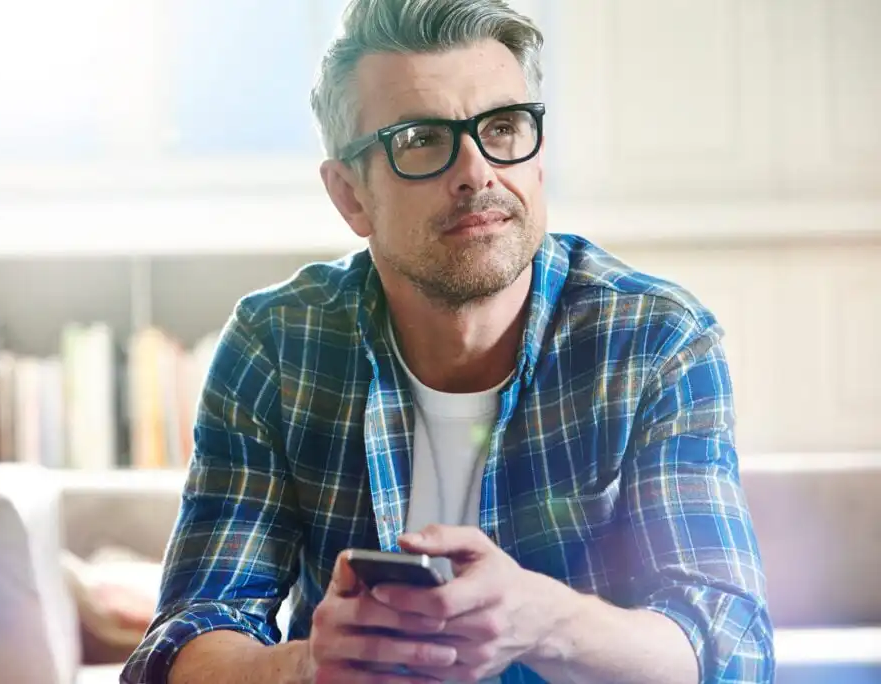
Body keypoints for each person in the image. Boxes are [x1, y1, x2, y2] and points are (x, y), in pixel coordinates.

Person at [121, 0, 774, 682]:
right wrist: (307, 667)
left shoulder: (655, 340)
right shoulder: (278, 345)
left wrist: (545, 622)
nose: (477, 171)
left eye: (503, 127)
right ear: (350, 196)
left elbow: (728, 650)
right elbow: (186, 638)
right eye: (422, 140)